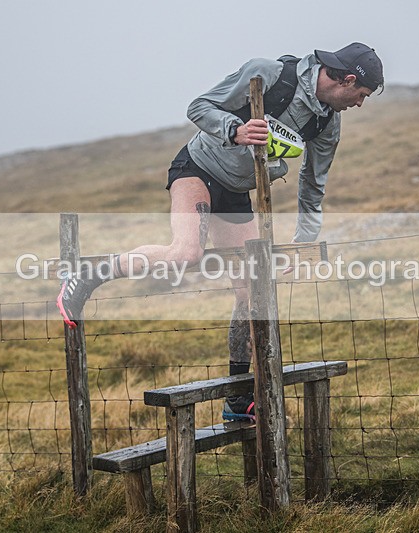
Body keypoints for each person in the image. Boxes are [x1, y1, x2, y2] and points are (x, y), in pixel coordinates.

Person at [57, 42, 384, 421]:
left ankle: (237, 398)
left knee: (253, 289)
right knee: (186, 253)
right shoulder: (269, 72)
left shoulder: (327, 121)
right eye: (361, 95)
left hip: (236, 190)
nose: (359, 104)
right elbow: (198, 107)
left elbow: (313, 182)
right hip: (197, 169)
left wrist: (304, 239)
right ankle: (87, 276)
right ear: (346, 80)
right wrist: (236, 129)